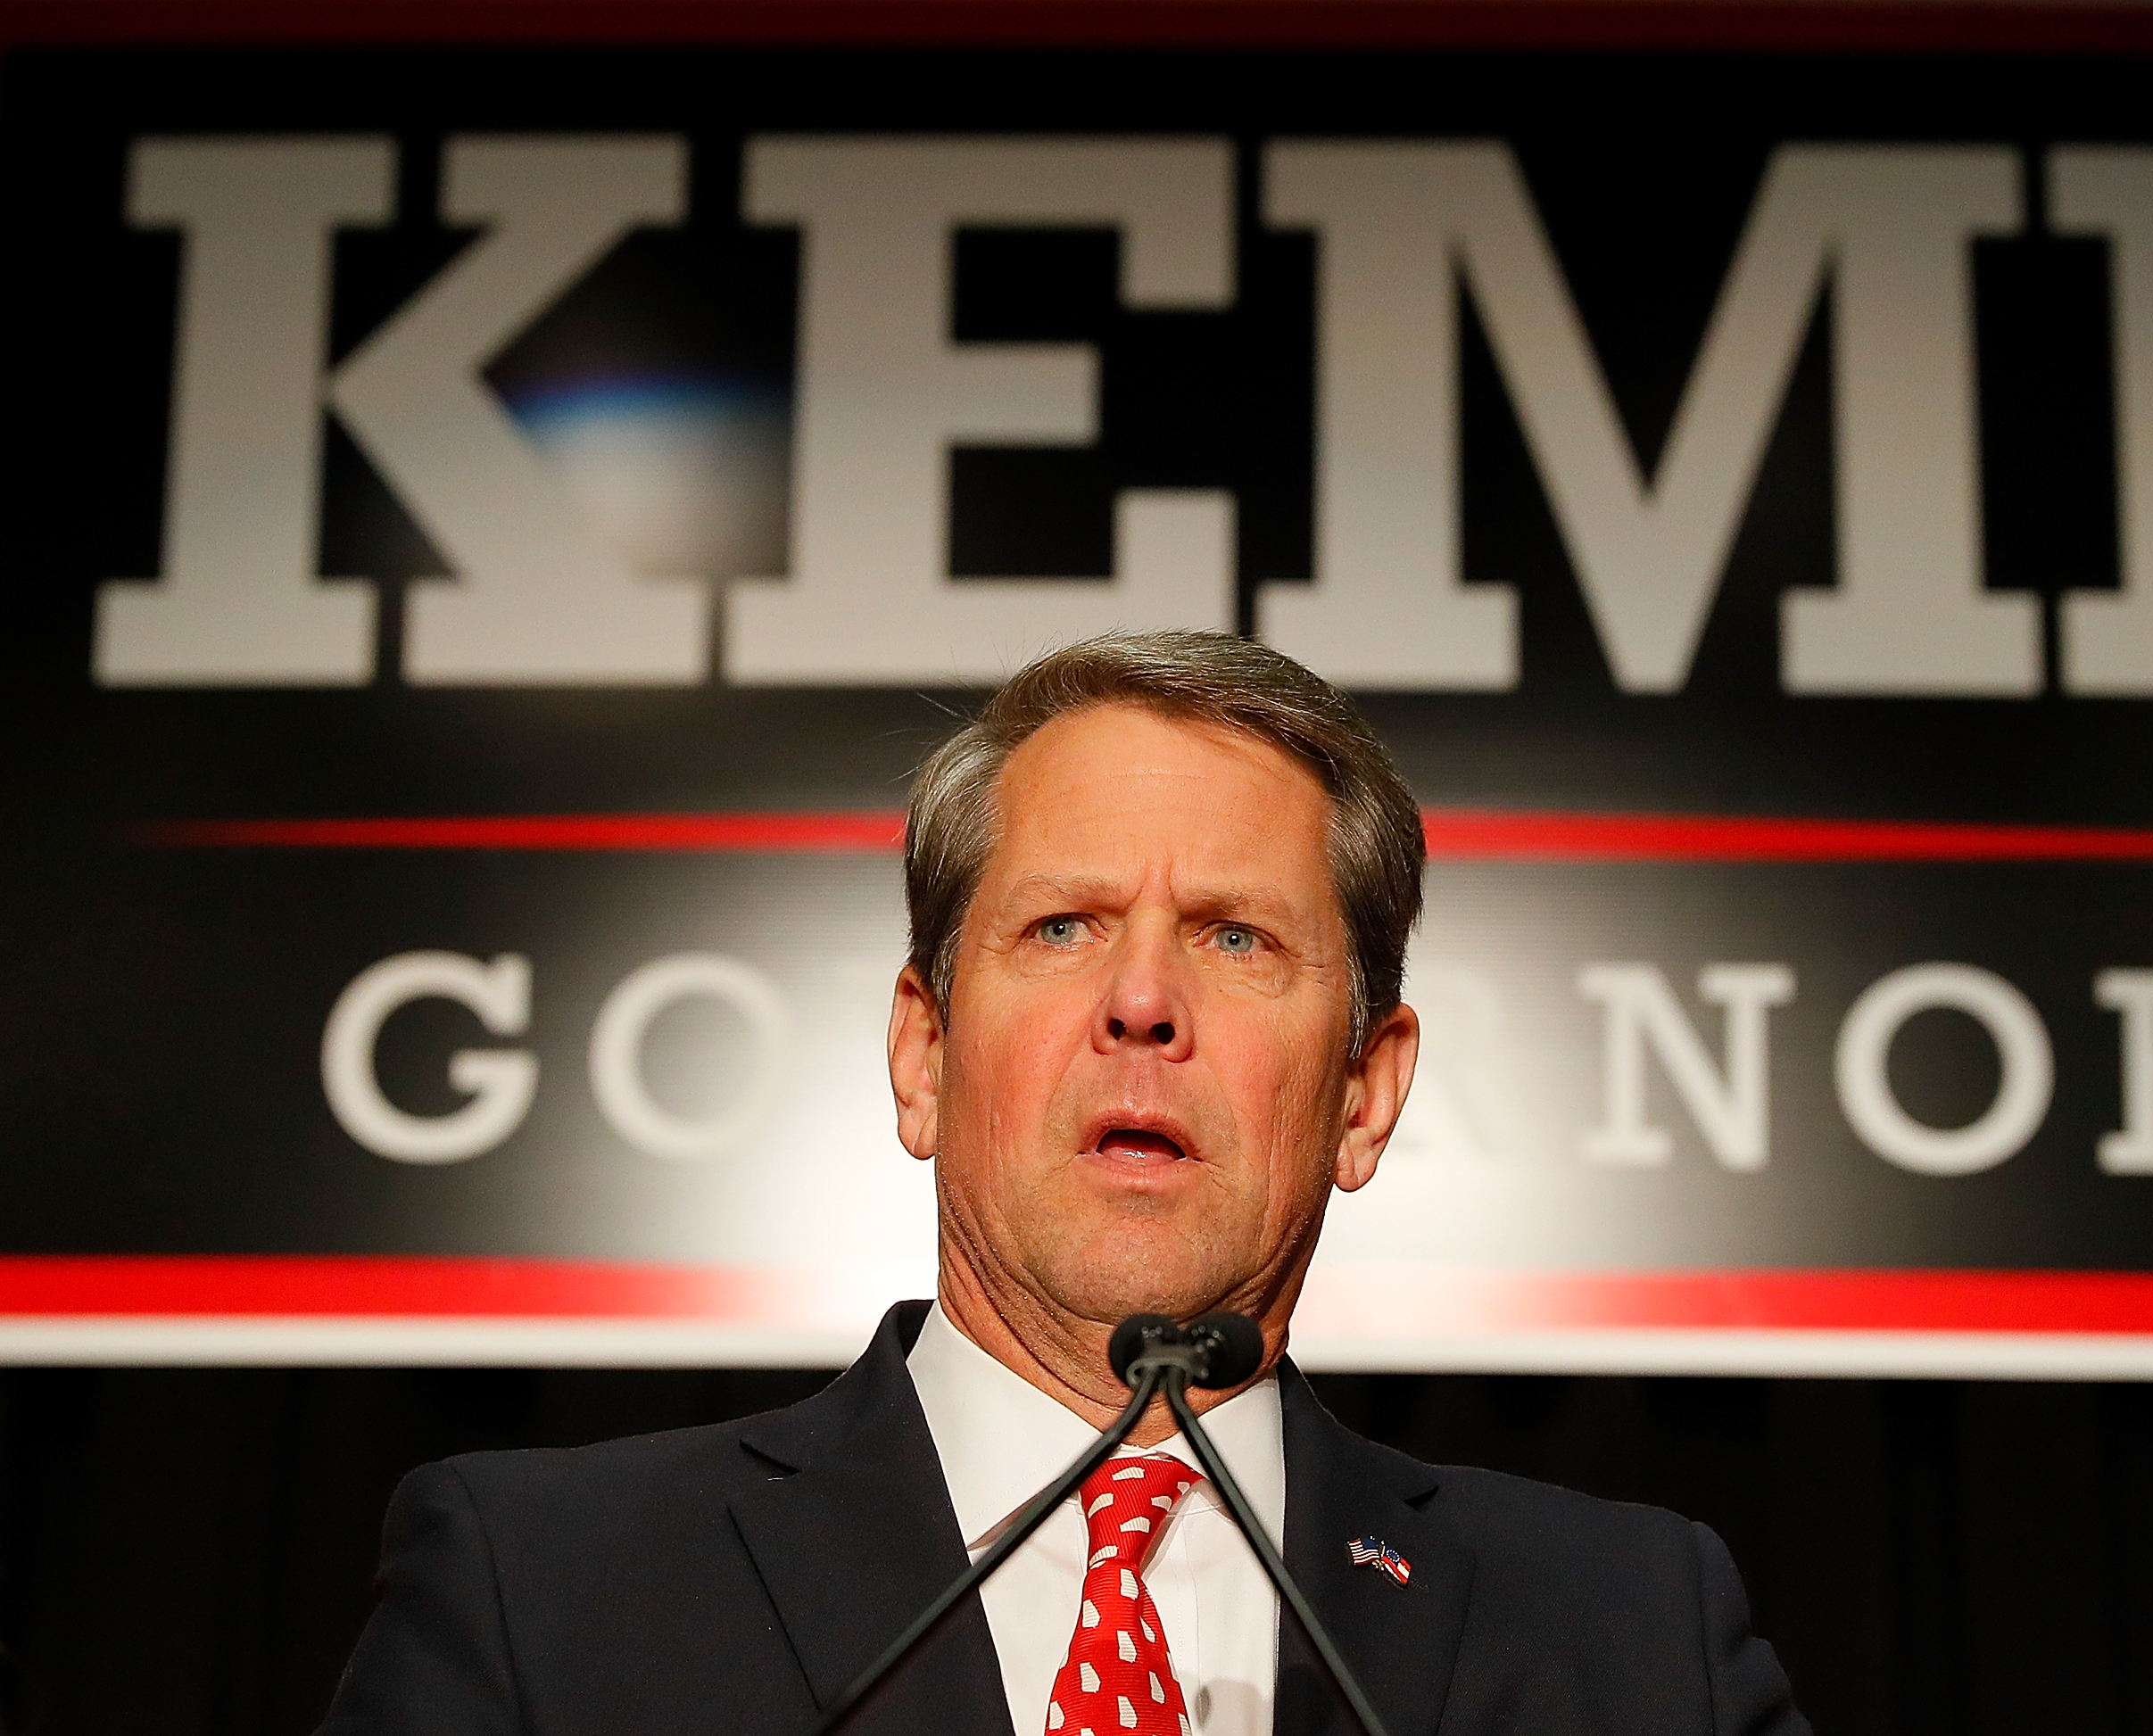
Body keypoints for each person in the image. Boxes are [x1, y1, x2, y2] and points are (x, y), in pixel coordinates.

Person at [319, 631, 1810, 1736]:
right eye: (1062, 929)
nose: (1144, 1001)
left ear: (1366, 1095)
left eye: (1236, 937)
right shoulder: (545, 1592)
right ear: (922, 1054)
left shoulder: (1632, 1639)